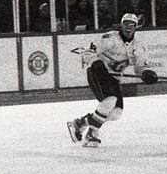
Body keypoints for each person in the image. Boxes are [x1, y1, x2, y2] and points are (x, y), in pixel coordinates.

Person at [67, 13, 156, 148]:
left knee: (116, 113)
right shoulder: (109, 38)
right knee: (110, 99)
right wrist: (97, 63)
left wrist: (146, 73)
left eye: (132, 25)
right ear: (121, 25)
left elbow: (140, 65)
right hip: (97, 72)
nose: (128, 28)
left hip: (113, 78)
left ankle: (82, 123)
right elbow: (87, 52)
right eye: (126, 24)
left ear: (136, 27)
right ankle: (92, 133)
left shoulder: (138, 45)